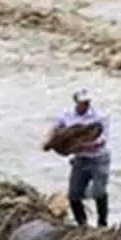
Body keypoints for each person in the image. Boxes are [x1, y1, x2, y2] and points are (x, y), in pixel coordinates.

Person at [46, 89, 113, 228]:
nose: (86, 105)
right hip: (80, 160)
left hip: (99, 159)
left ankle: (102, 224)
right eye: (83, 102)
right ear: (76, 102)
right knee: (74, 195)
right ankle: (82, 224)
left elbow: (102, 139)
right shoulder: (66, 116)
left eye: (87, 102)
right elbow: (55, 130)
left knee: (99, 192)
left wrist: (86, 145)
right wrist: (50, 142)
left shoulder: (100, 117)